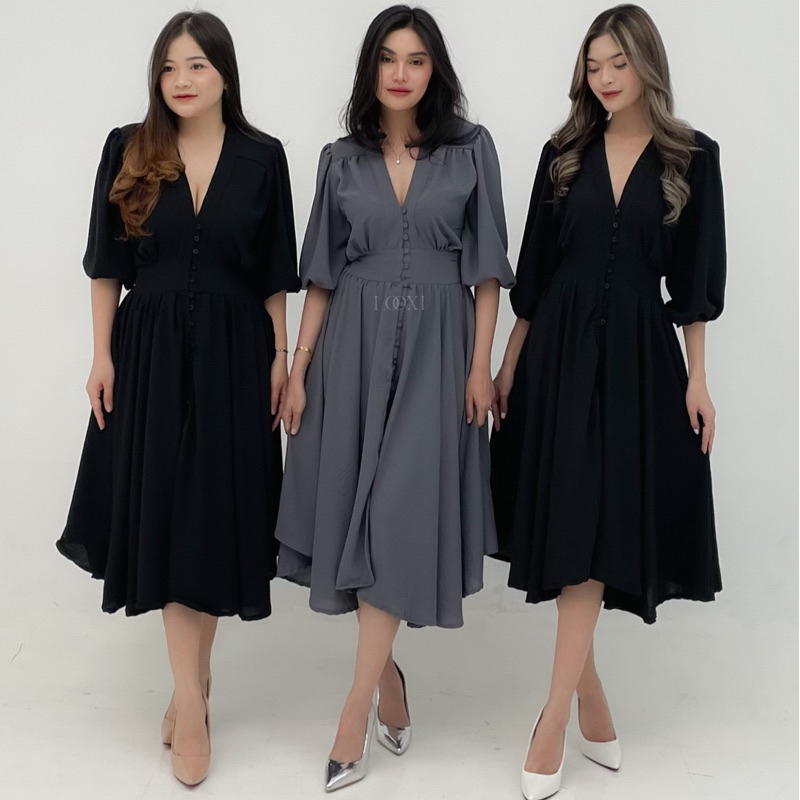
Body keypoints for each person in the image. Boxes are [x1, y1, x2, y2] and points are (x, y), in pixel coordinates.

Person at [274, 4, 514, 792]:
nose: (401, 72)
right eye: (387, 57)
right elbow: (321, 274)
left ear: (435, 69)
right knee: (354, 514)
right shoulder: (340, 159)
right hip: (351, 348)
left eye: (416, 58)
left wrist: (480, 366)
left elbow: (487, 271)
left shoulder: (471, 149)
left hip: (441, 353)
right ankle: (387, 679)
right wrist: (298, 368)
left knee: (397, 515)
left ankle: (353, 712)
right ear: (370, 69)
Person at [56, 11, 300, 786]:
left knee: (214, 519)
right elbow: (105, 264)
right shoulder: (129, 147)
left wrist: (281, 359)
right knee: (164, 513)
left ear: (225, 72)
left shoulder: (263, 157)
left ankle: (192, 682)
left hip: (237, 354)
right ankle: (191, 705)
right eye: (169, 67)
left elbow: (274, 274)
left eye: (197, 65)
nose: (182, 80)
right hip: (150, 352)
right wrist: (101, 354)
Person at [489, 5, 726, 798]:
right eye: (594, 66)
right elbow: (534, 272)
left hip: (636, 359)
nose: (606, 78)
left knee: (594, 524)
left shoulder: (693, 158)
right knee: (571, 525)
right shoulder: (563, 155)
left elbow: (693, 283)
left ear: (647, 64)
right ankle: (584, 700)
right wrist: (507, 365)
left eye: (619, 63)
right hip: (556, 353)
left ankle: (553, 716)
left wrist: (698, 377)